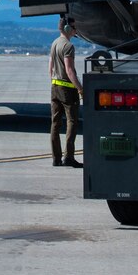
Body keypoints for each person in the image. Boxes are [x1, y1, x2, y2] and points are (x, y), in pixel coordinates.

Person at [49, 18, 83, 168]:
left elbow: (50, 68)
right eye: (74, 27)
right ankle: (68, 157)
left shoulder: (55, 43)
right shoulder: (68, 46)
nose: (76, 30)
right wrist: (80, 88)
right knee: (72, 122)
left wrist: (54, 81)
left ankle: (56, 158)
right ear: (69, 28)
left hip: (55, 87)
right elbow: (69, 70)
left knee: (55, 123)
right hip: (67, 89)